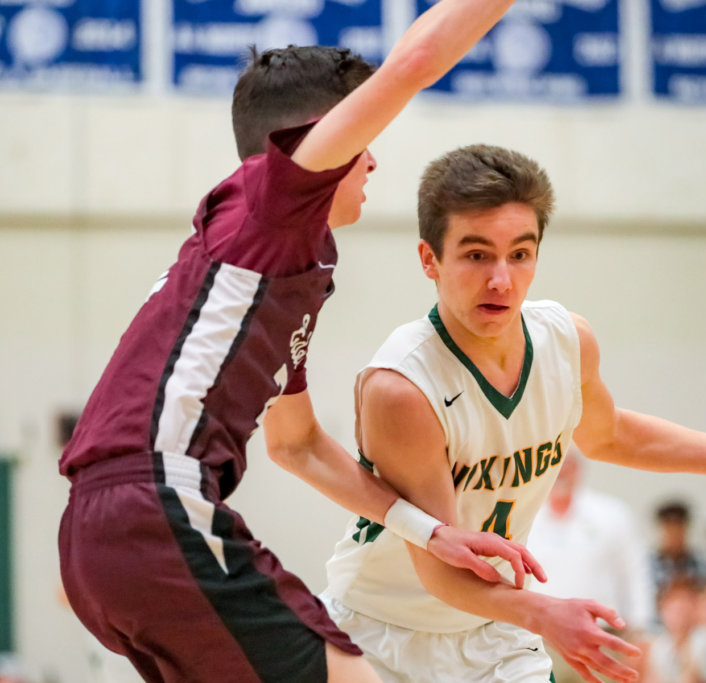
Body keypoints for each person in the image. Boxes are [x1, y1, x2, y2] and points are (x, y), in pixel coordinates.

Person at [56, 1, 545, 679]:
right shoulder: (274, 202)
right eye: (361, 139)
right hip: (156, 504)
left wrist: (431, 531)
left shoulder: (269, 267)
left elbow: (298, 445)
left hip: (101, 531)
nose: (372, 159)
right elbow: (416, 61)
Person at [309, 144, 706, 683]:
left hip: (492, 628)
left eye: (520, 254)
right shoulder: (403, 387)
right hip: (383, 634)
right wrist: (545, 613)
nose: (502, 279)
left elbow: (611, 436)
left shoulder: (567, 341)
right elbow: (443, 571)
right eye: (477, 255)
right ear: (430, 259)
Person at [529, 446, 656, 682]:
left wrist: (641, 628)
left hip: (600, 638)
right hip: (539, 641)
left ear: (579, 470)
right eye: (555, 466)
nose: (561, 473)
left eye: (567, 466)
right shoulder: (527, 517)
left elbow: (635, 573)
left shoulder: (612, 514)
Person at [644, 578, 701, 683]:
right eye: (672, 608)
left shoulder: (701, 641)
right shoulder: (658, 645)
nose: (678, 615)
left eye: (683, 608)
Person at [650, 499, 706, 599]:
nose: (674, 534)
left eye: (679, 527)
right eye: (669, 529)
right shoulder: (647, 566)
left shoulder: (703, 564)